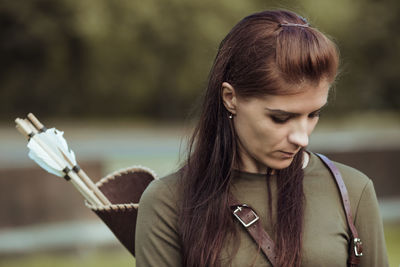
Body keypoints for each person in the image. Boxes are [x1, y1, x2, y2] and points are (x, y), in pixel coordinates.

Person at [134, 10, 388, 267]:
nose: (302, 138)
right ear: (230, 98)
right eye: (280, 118)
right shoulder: (168, 202)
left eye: (313, 114)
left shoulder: (353, 191)